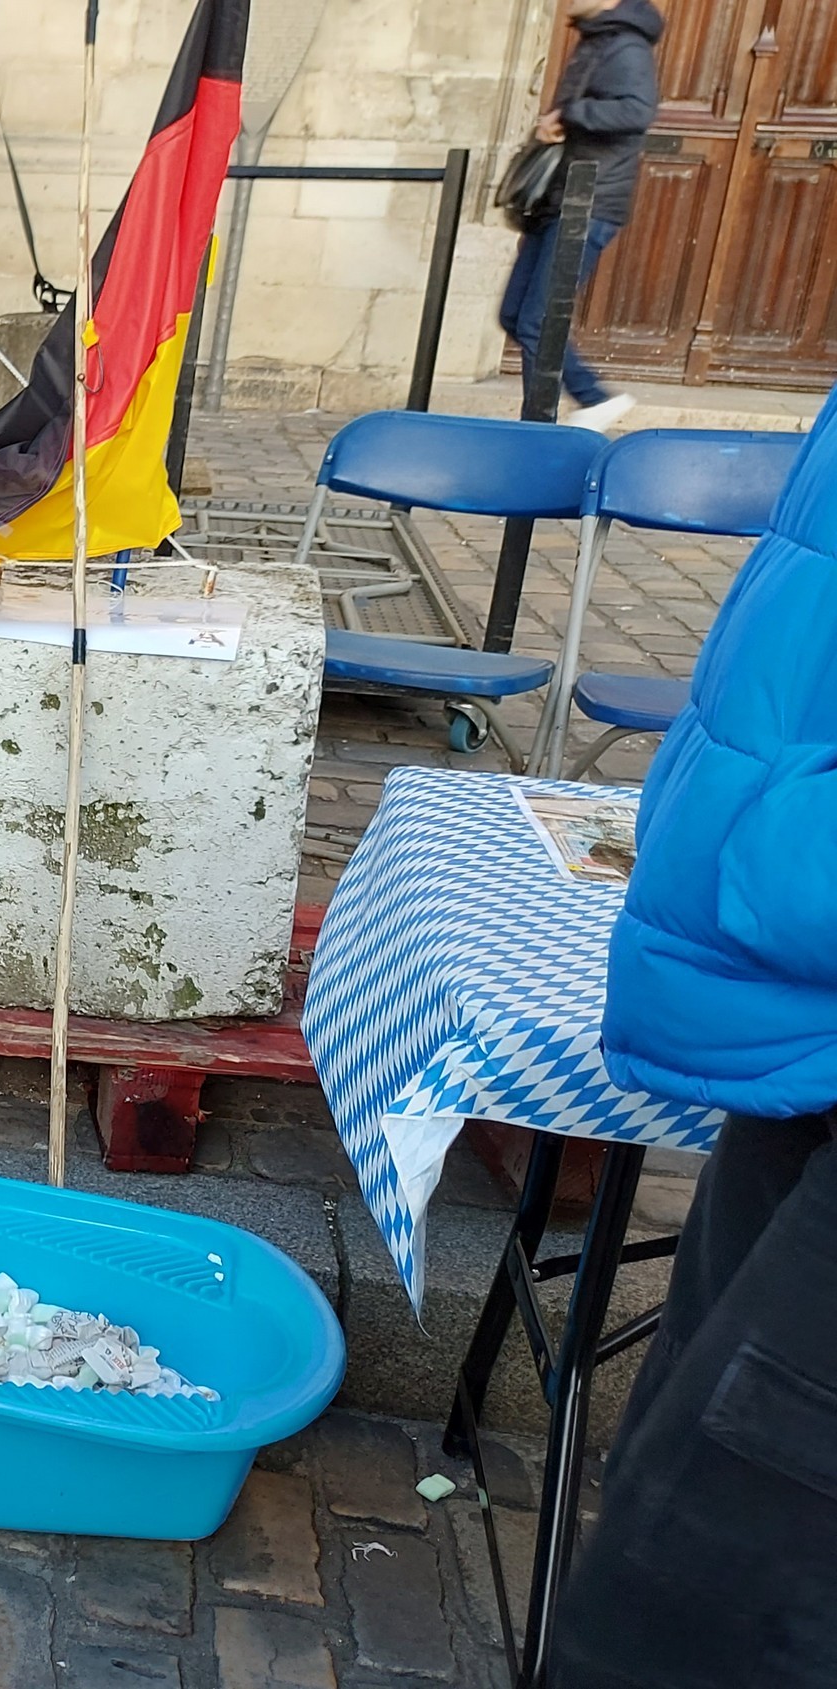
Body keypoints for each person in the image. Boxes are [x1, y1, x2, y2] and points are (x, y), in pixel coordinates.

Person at [548, 402, 837, 1688]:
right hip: (799, 1016)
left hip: (798, 925)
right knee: (668, 1503)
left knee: (707, 1609)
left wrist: (776, 859)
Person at [501, 0, 658, 436]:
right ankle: (585, 402)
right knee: (515, 315)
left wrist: (569, 115)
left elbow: (636, 111)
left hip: (589, 204)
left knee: (537, 322)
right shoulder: (597, 39)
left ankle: (551, 426)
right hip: (560, 198)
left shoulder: (626, 46)